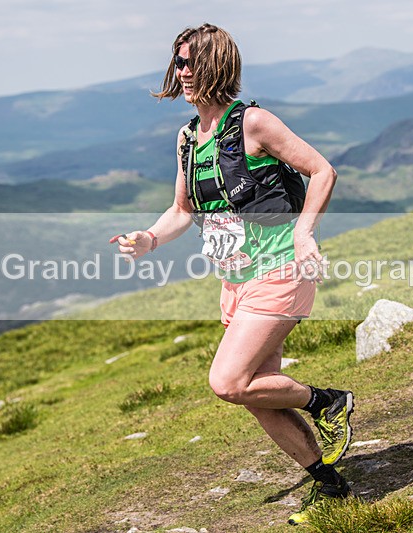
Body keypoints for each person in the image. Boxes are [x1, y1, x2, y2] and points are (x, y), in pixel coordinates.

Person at [113, 23, 354, 526]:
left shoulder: (254, 123)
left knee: (227, 381)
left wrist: (306, 232)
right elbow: (181, 209)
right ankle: (331, 487)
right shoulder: (186, 138)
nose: (180, 72)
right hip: (235, 282)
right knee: (258, 391)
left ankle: (328, 401)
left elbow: (322, 170)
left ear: (215, 66)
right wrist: (149, 239)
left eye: (189, 62)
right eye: (177, 62)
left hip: (280, 269)